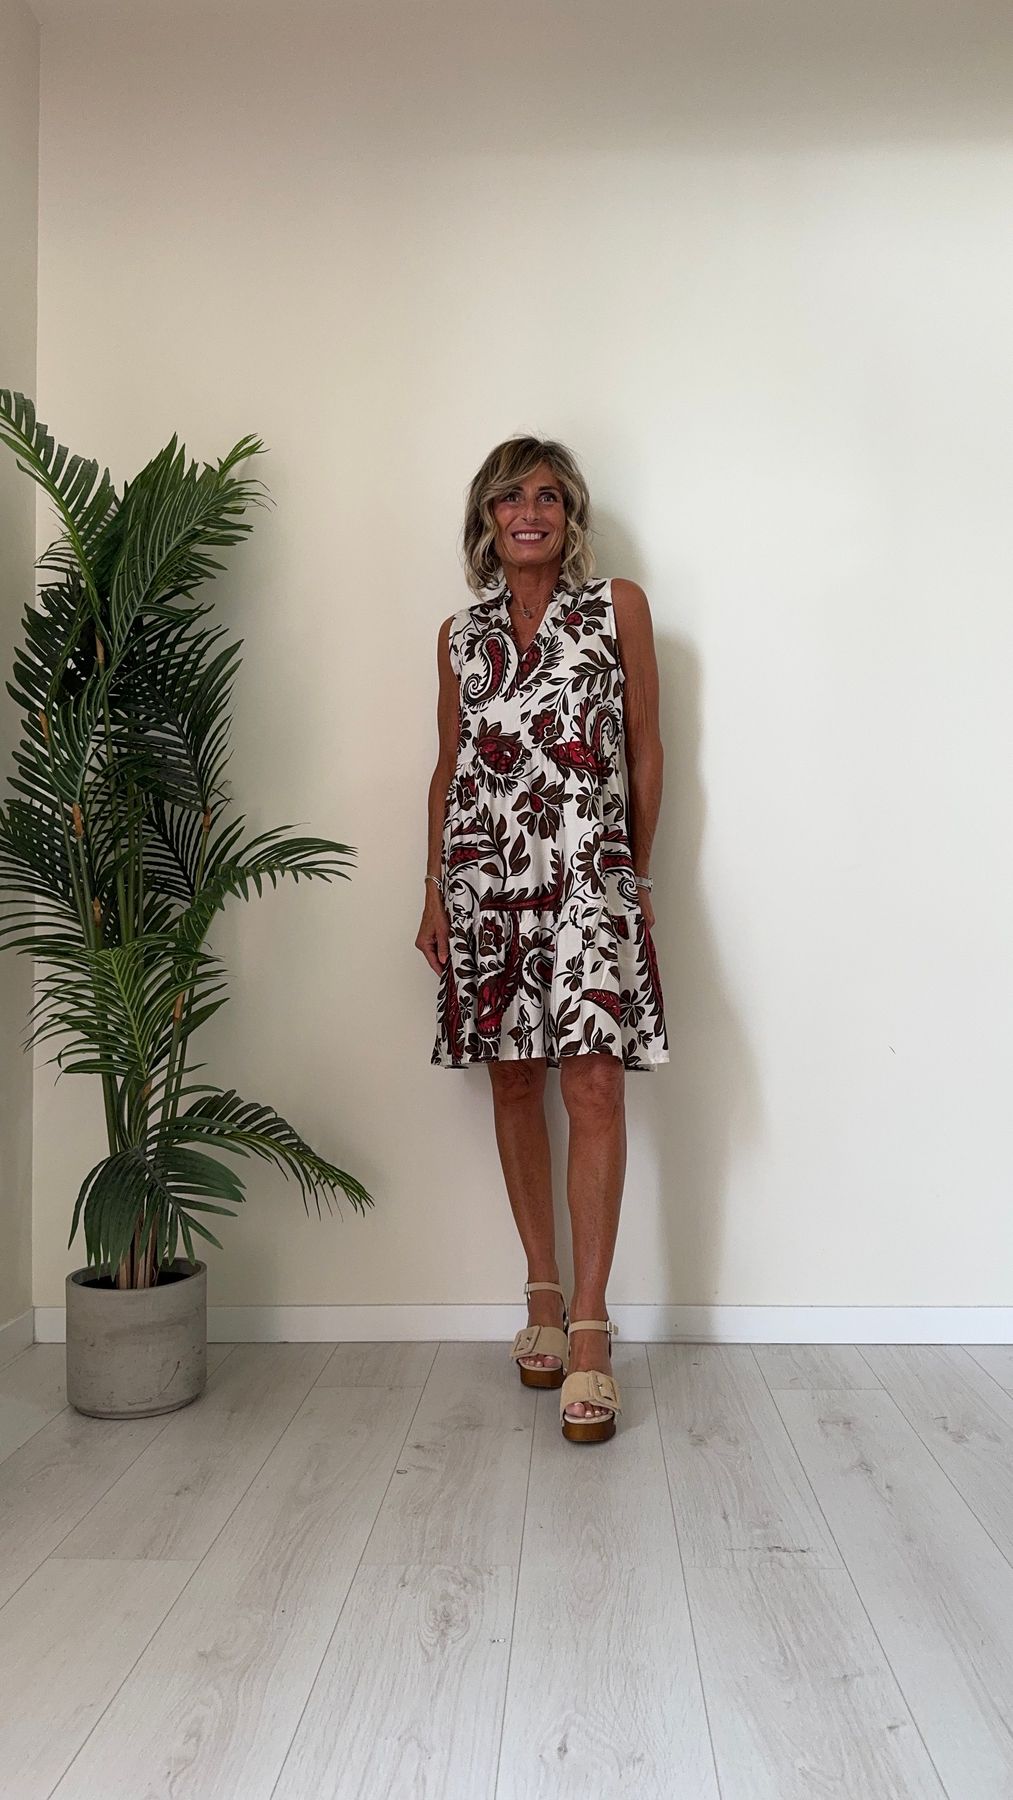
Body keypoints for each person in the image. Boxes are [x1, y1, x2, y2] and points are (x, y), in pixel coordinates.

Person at [417, 436, 669, 1444]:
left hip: (587, 880)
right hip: (486, 885)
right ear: (485, 517)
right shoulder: (459, 634)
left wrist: (631, 877)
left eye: (550, 496)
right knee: (514, 1081)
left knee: (594, 1085)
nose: (531, 511)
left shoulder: (616, 609)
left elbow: (644, 750)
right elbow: (447, 767)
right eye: (511, 496)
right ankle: (540, 1294)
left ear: (570, 518)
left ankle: (592, 1328)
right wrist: (433, 892)